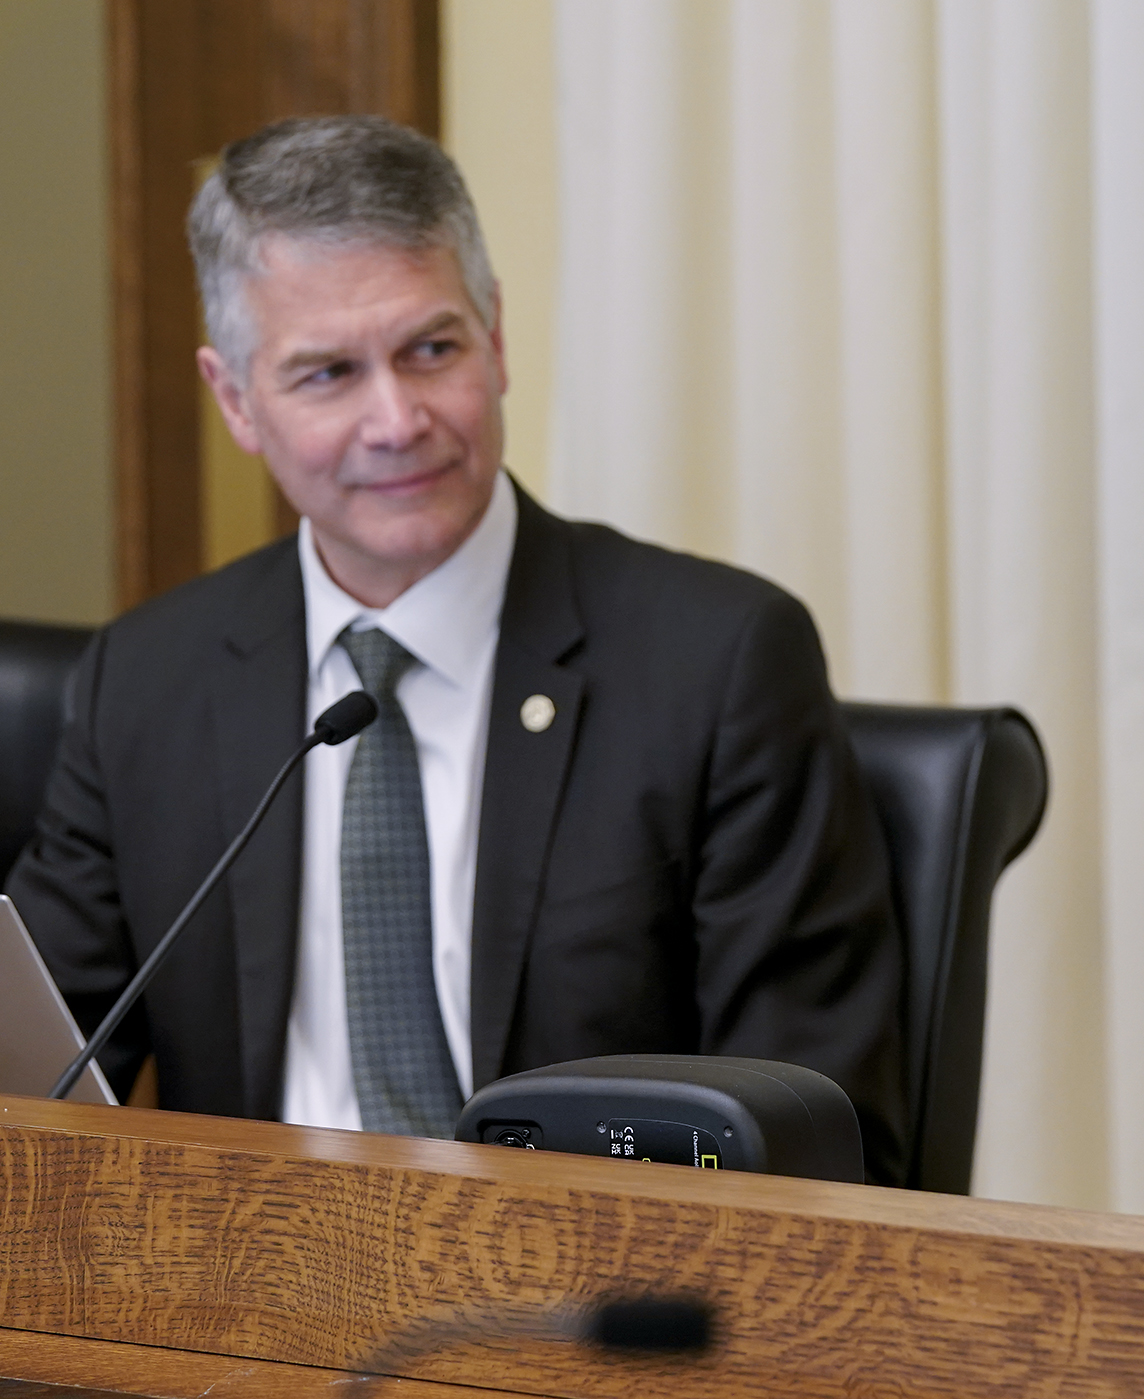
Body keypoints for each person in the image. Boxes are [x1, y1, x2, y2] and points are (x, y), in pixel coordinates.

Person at [7, 115, 909, 1185]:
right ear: (236, 400)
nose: (396, 420)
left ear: (497, 337)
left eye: (431, 349)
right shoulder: (147, 682)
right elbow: (32, 1080)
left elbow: (815, 1136)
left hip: (591, 1313)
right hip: (258, 1303)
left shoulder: (718, 665)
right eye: (328, 374)